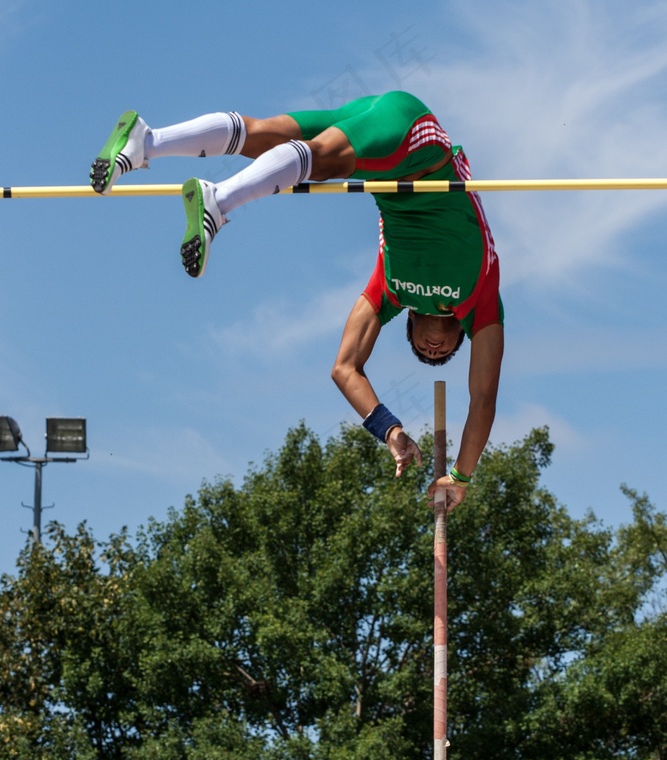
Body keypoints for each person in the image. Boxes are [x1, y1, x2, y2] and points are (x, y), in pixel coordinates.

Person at [90, 92, 504, 510]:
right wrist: (461, 476)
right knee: (321, 159)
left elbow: (344, 368)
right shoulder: (481, 295)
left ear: (408, 327)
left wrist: (390, 431)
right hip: (418, 144)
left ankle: (147, 141)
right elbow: (483, 397)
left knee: (264, 134)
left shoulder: (390, 289)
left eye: (425, 353)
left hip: (385, 143)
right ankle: (219, 201)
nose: (432, 349)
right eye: (442, 352)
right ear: (459, 333)